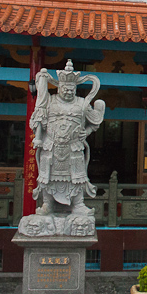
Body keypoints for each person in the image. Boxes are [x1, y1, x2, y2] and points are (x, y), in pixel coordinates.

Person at [31, 59, 105, 216]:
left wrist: (87, 132)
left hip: (73, 147)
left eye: (72, 89)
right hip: (51, 145)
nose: (69, 92)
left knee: (77, 177)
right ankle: (47, 204)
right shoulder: (49, 102)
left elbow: (95, 122)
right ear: (59, 87)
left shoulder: (82, 104)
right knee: (47, 176)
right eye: (65, 89)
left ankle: (78, 204)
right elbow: (38, 119)